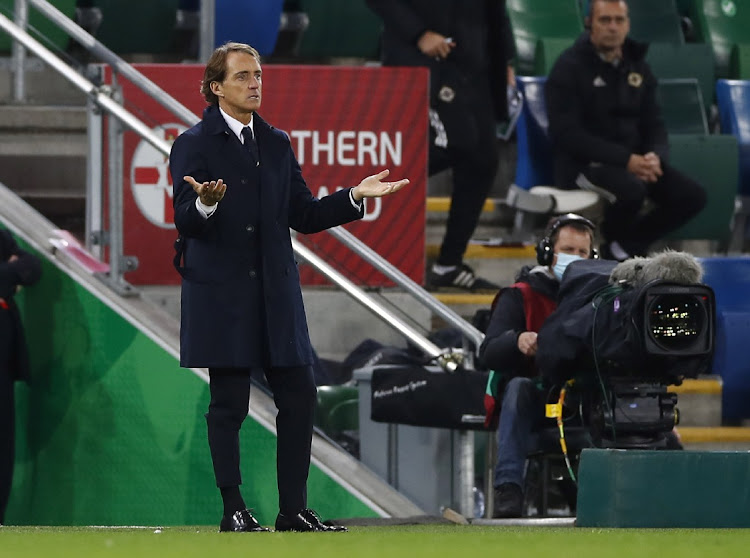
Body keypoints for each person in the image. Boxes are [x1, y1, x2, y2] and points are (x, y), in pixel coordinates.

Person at [168, 42, 408, 533]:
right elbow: (186, 220)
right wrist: (209, 205)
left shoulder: (276, 142)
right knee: (229, 403)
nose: (255, 83)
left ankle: (292, 510)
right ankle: (233, 508)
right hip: (224, 294)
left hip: (276, 295)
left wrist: (354, 196)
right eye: (243, 76)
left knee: (300, 395)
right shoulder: (194, 143)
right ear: (216, 87)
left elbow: (304, 214)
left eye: (258, 74)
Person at [366, 0, 516, 291]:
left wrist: (504, 57)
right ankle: (361, 191)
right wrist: (419, 34)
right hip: (426, 61)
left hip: (476, 63)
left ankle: (449, 264)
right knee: (455, 143)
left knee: (484, 161)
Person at [545, 0, 706, 262]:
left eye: (619, 20)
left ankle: (622, 248)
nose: (613, 27)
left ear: (628, 24)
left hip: (634, 162)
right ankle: (615, 257)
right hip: (584, 165)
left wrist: (655, 156)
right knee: (631, 190)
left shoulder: (638, 66)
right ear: (590, 24)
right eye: (605, 20)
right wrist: (626, 160)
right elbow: (567, 134)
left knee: (691, 195)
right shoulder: (569, 67)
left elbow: (654, 122)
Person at [478, 214, 596, 518]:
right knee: (518, 387)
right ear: (548, 252)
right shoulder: (520, 295)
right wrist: (517, 341)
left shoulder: (600, 298)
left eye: (582, 253)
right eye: (568, 250)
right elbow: (489, 352)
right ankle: (509, 489)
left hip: (583, 396)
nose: (575, 259)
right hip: (536, 399)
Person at [0, 227, 42, 525]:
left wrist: (6, 275)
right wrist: (7, 274)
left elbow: (31, 267)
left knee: (3, 447)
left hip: (3, 366)